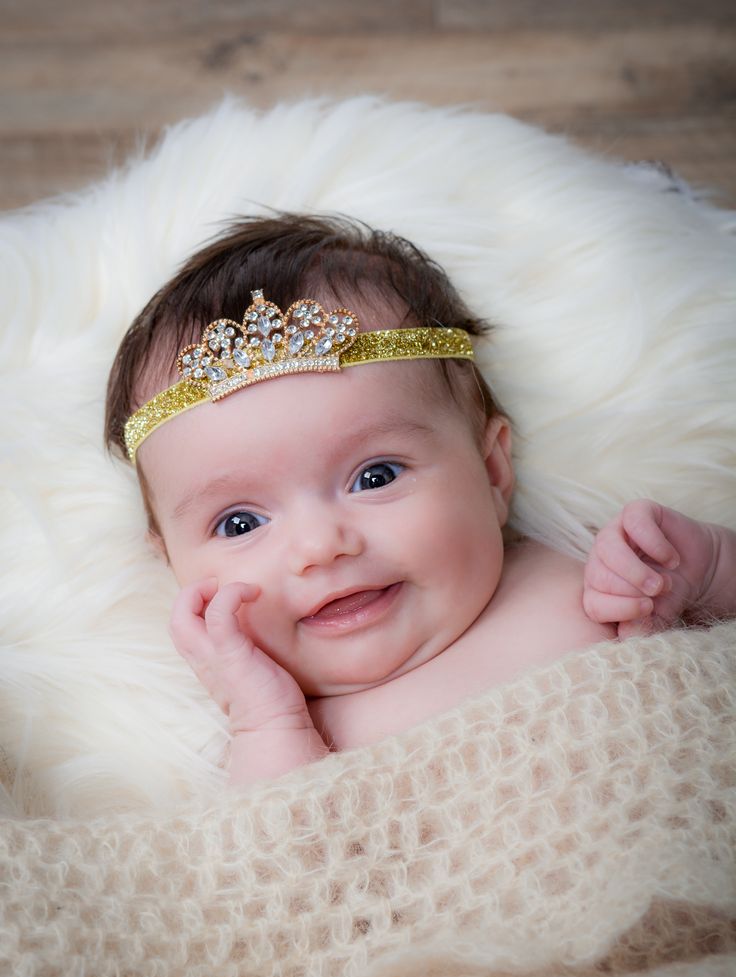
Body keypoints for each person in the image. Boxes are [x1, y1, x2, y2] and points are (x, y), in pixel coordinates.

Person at [106, 214, 736, 786]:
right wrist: (265, 720)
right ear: (173, 566)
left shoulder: (593, 578)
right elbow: (284, 879)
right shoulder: (287, 737)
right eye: (240, 522)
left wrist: (702, 573)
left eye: (375, 476)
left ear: (493, 470)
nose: (320, 547)